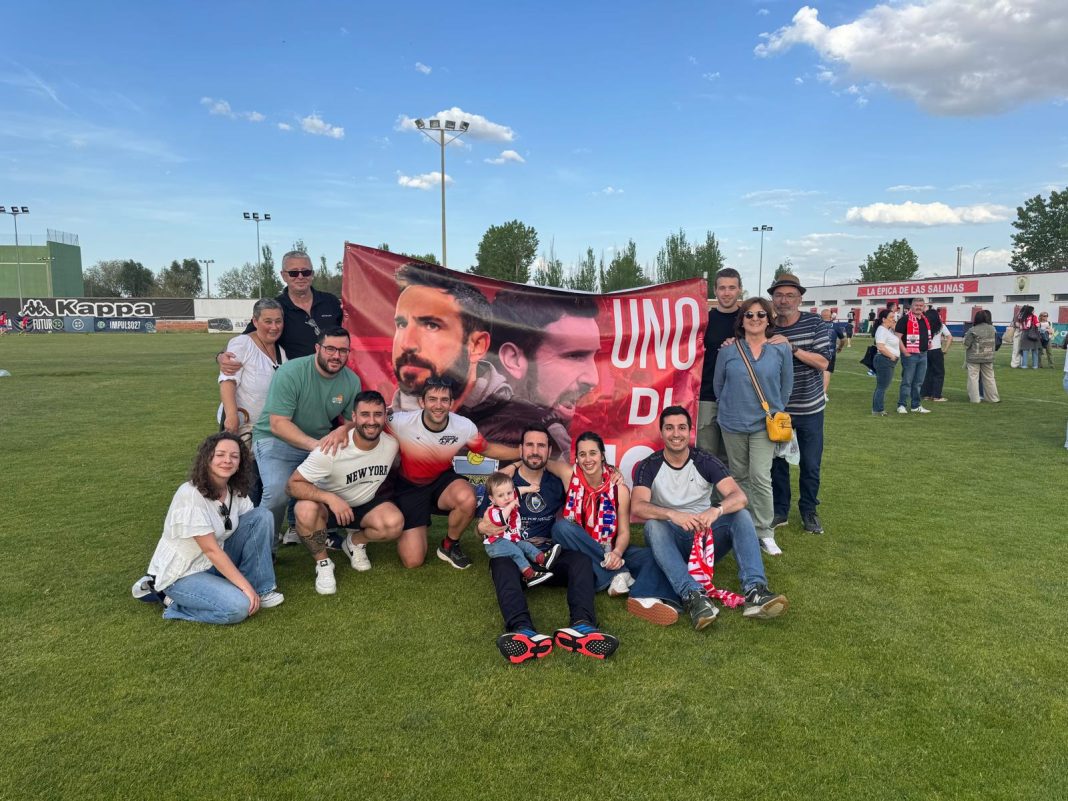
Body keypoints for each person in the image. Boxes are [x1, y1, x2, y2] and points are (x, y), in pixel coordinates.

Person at [633, 406, 788, 631]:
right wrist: (672, 514)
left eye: (681, 428)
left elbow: (739, 497)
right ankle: (694, 596)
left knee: (741, 515)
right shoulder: (649, 465)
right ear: (661, 432)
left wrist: (716, 510)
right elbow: (638, 506)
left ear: (690, 431)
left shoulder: (704, 460)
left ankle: (755, 591)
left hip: (704, 541)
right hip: (669, 541)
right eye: (669, 428)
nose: (676, 434)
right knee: (653, 526)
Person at [481, 425, 619, 663]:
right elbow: (483, 525)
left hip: (547, 557)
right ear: (521, 449)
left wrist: (614, 471)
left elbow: (592, 478)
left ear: (548, 450)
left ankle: (583, 627)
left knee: (580, 561)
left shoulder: (556, 481)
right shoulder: (502, 484)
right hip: (516, 559)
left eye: (541, 446)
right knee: (500, 563)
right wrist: (482, 528)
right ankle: (522, 632)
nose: (535, 451)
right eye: (530, 445)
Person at [524, 431, 681, 625]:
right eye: (582, 454)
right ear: (577, 458)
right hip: (580, 551)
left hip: (610, 547)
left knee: (651, 556)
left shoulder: (619, 489)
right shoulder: (569, 475)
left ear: (602, 455)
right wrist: (514, 465)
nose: (588, 459)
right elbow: (541, 460)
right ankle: (619, 574)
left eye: (593, 453)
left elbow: (624, 532)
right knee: (562, 528)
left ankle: (643, 597)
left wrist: (617, 553)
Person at [132, 432, 283, 624]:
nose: (227, 460)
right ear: (207, 458)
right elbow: (211, 550)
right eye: (220, 454)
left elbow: (254, 529)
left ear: (240, 463)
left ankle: (261, 589)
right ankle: (170, 601)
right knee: (239, 607)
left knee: (262, 516)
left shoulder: (234, 490)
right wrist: (245, 587)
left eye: (234, 456)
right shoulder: (190, 494)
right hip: (184, 572)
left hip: (212, 562)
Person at [387, 377, 517, 570]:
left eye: (444, 400)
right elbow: (370, 429)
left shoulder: (463, 426)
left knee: (467, 498)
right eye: (432, 399)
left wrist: (521, 452)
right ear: (422, 402)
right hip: (410, 487)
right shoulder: (400, 422)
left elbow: (486, 449)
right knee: (413, 561)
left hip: (442, 480)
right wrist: (344, 431)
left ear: (451, 403)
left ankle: (449, 545)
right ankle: (410, 526)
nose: (438, 405)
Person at [285, 391, 404, 594]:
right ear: (354, 417)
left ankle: (354, 542)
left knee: (393, 524)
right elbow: (292, 485)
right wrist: (329, 498)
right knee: (304, 510)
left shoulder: (391, 445)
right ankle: (323, 563)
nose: (372, 421)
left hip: (364, 505)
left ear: (385, 416)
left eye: (378, 414)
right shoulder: (331, 449)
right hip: (328, 508)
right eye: (365, 414)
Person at [250, 327, 360, 538]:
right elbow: (278, 424)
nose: (337, 356)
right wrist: (315, 446)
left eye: (343, 350)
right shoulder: (291, 372)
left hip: (318, 442)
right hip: (275, 439)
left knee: (339, 482)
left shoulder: (351, 381)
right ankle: (264, 545)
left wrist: (343, 430)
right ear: (317, 348)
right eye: (330, 349)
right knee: (277, 493)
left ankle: (315, 532)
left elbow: (351, 422)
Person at [713, 297, 793, 556]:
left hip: (764, 424)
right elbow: (718, 386)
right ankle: (743, 526)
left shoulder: (780, 349)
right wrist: (730, 406)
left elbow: (786, 385)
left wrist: (776, 410)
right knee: (738, 476)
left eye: (761, 314)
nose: (755, 319)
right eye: (749, 315)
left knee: (760, 475)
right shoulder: (728, 350)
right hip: (732, 421)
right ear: (742, 320)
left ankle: (764, 531)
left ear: (768, 319)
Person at [487, 289, 600, 455]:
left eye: (594, 356)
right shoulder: (462, 425)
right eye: (574, 356)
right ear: (513, 359)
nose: (594, 379)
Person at [766, 273, 831, 535]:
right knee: (777, 464)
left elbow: (823, 362)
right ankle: (780, 510)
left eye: (790, 295)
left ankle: (809, 510)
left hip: (810, 408)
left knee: (810, 464)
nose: (784, 301)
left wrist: (791, 348)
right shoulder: (767, 326)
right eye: (779, 295)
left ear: (800, 299)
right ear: (773, 298)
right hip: (779, 410)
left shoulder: (815, 323)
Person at [218, 250, 343, 372]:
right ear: (283, 276)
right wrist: (221, 356)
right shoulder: (275, 308)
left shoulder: (331, 301)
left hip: (332, 376)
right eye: (293, 273)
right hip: (297, 379)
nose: (300, 277)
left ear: (312, 274)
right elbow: (245, 338)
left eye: (306, 272)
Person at [217, 298, 286, 504]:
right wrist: (231, 417)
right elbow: (228, 380)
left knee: (266, 486)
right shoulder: (242, 344)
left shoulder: (281, 352)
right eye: (268, 321)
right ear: (255, 321)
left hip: (269, 431)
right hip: (243, 428)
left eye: (278, 321)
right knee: (246, 487)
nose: (274, 327)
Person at [480, 472, 561, 587]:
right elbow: (501, 519)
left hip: (511, 540)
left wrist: (529, 488)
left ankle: (543, 559)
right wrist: (511, 505)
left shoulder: (510, 498)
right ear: (492, 499)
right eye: (501, 495)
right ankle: (529, 575)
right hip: (496, 544)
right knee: (516, 551)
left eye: (509, 493)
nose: (507, 497)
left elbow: (518, 490)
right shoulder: (493, 511)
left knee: (525, 545)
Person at [697, 268, 743, 462]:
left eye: (732, 288)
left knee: (732, 459)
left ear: (740, 290)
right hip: (707, 396)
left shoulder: (750, 320)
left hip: (739, 398)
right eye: (722, 288)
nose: (726, 293)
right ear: (715, 291)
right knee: (705, 456)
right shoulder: (704, 321)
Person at [895, 297, 933, 415]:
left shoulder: (925, 320)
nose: (918, 308)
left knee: (918, 382)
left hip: (923, 354)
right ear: (911, 306)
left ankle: (916, 405)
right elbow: (897, 337)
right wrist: (905, 352)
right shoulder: (904, 320)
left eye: (921, 306)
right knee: (907, 381)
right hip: (910, 355)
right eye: (916, 305)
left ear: (924, 307)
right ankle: (901, 405)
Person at [963, 310, 1000, 403]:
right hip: (988, 356)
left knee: (973, 378)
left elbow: (966, 344)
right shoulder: (993, 329)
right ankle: (993, 398)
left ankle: (975, 399)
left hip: (973, 357)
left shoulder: (973, 330)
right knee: (989, 377)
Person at [871, 308, 900, 415]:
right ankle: (878, 409)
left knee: (882, 386)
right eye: (891, 317)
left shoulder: (887, 330)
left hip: (887, 360)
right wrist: (892, 356)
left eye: (894, 317)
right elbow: (880, 347)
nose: (893, 319)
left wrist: (893, 326)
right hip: (885, 359)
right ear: (883, 319)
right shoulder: (882, 330)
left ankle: (878, 409)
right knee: (882, 386)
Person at [921, 307, 953, 402]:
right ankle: (936, 395)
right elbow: (950, 337)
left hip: (925, 351)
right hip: (936, 351)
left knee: (927, 373)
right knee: (939, 373)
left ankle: (926, 394)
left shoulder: (923, 325)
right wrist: (945, 349)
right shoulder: (941, 326)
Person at [821, 308, 847, 401]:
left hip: (817, 352)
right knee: (827, 371)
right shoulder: (835, 326)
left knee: (816, 371)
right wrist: (840, 347)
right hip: (830, 352)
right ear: (830, 316)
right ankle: (823, 393)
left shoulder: (816, 325)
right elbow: (843, 339)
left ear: (821, 316)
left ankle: (814, 392)